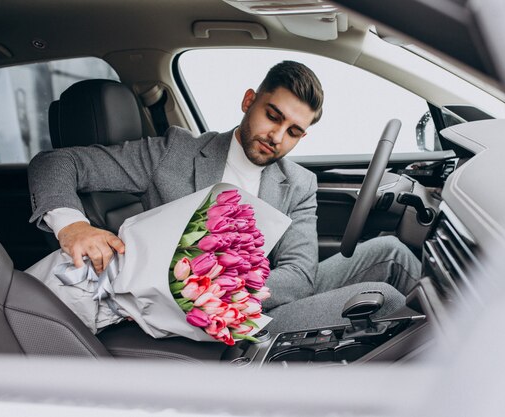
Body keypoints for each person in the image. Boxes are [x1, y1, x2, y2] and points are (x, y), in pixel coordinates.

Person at [28, 60, 422, 333]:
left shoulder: (298, 182)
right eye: (273, 116)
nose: (277, 137)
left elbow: (300, 276)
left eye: (294, 132)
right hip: (206, 318)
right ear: (249, 101)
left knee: (391, 251)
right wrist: (73, 226)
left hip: (251, 301)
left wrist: (228, 288)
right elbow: (55, 164)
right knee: (383, 298)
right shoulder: (174, 152)